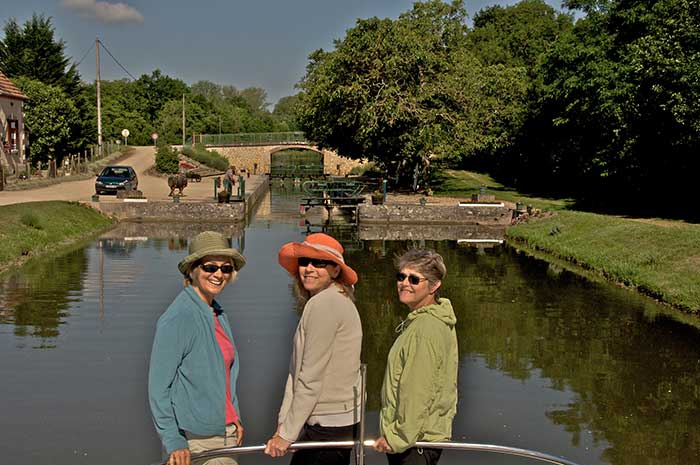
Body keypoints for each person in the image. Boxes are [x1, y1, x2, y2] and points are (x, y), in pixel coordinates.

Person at [148, 231, 247, 465]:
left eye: (226, 268)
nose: (218, 274)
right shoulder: (180, 317)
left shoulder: (216, 312)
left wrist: (234, 417)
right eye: (210, 267)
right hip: (196, 441)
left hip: (224, 433)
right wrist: (173, 440)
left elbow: (222, 377)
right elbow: (158, 388)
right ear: (192, 270)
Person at [264, 233, 362, 465]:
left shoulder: (324, 304)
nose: (308, 268)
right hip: (333, 422)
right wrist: (285, 421)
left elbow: (311, 377)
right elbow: (295, 370)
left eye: (318, 263)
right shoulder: (332, 299)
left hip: (328, 425)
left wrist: (286, 434)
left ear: (335, 270)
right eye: (303, 262)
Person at [373, 249, 458, 465]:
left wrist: (397, 437)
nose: (404, 283)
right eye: (401, 276)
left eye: (414, 279)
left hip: (414, 443)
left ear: (434, 285)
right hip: (418, 439)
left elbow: (418, 390)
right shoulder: (427, 320)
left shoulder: (426, 329)